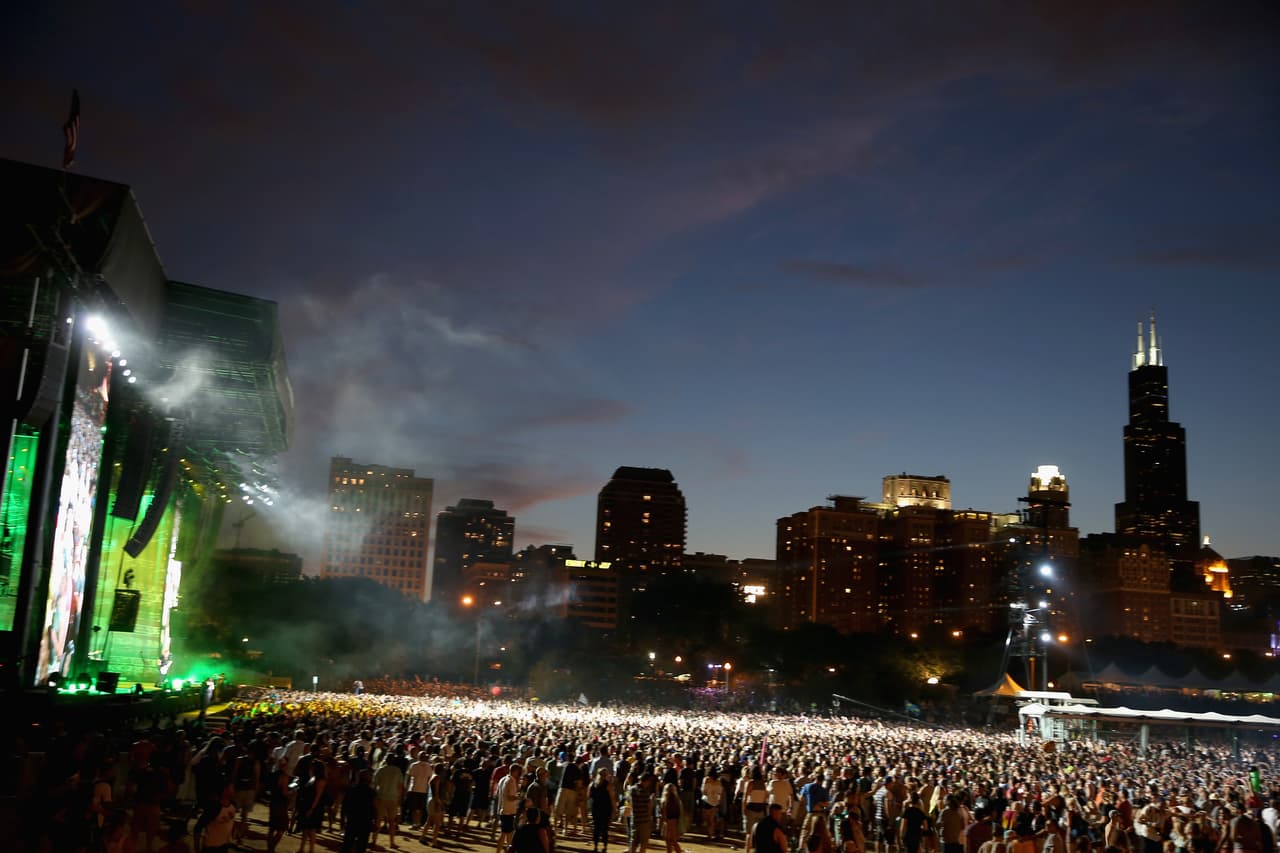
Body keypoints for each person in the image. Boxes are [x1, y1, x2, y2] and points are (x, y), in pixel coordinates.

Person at [372, 755, 406, 850]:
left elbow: (374, 785)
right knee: (392, 821)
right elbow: (400, 786)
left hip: (381, 797)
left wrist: (374, 798)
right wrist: (399, 799)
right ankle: (392, 842)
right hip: (393, 798)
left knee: (378, 821)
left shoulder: (380, 770)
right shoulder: (397, 771)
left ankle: (374, 840)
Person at [342, 768, 377, 853]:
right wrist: (375, 821)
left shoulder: (351, 790)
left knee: (348, 844)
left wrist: (343, 820)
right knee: (362, 846)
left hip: (352, 820)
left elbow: (344, 806)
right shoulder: (372, 792)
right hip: (365, 822)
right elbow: (375, 808)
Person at [590, 768, 616, 852]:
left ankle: (595, 846)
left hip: (596, 808)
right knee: (604, 828)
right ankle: (604, 847)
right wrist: (614, 810)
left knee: (596, 828)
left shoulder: (592, 784)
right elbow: (612, 798)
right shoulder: (608, 785)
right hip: (605, 809)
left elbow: (588, 796)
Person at [662, 782, 685, 853]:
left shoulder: (666, 800)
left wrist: (663, 823)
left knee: (669, 840)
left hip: (669, 821)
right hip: (675, 821)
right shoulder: (677, 800)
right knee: (672, 840)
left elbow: (664, 813)